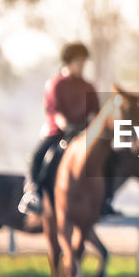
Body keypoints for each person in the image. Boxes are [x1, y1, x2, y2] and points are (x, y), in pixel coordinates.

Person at [19, 42, 100, 216]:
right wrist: (66, 126)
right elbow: (54, 111)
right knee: (38, 156)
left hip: (83, 134)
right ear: (68, 63)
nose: (82, 66)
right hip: (57, 133)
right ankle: (33, 194)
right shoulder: (55, 84)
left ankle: (104, 198)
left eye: (84, 63)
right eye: (79, 62)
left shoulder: (88, 86)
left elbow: (96, 111)